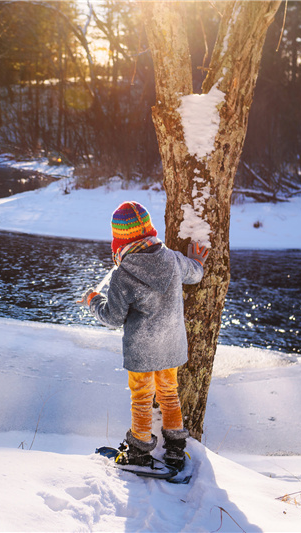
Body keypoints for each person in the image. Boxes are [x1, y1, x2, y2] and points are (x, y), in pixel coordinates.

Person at [79, 201, 208, 471]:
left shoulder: (122, 275)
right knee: (169, 394)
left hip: (141, 349)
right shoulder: (172, 259)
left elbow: (113, 318)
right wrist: (196, 261)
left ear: (118, 240)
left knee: (141, 397)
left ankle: (139, 449)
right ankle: (174, 449)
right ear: (149, 230)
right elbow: (195, 274)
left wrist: (93, 301)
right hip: (171, 344)